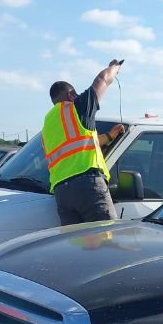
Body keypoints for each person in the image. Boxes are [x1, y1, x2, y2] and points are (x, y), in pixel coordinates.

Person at [42, 59, 126, 226]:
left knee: (78, 247)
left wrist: (110, 136)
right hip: (87, 186)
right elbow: (102, 80)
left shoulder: (47, 125)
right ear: (71, 94)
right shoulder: (76, 107)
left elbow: (81, 144)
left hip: (62, 194)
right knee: (104, 239)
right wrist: (114, 68)